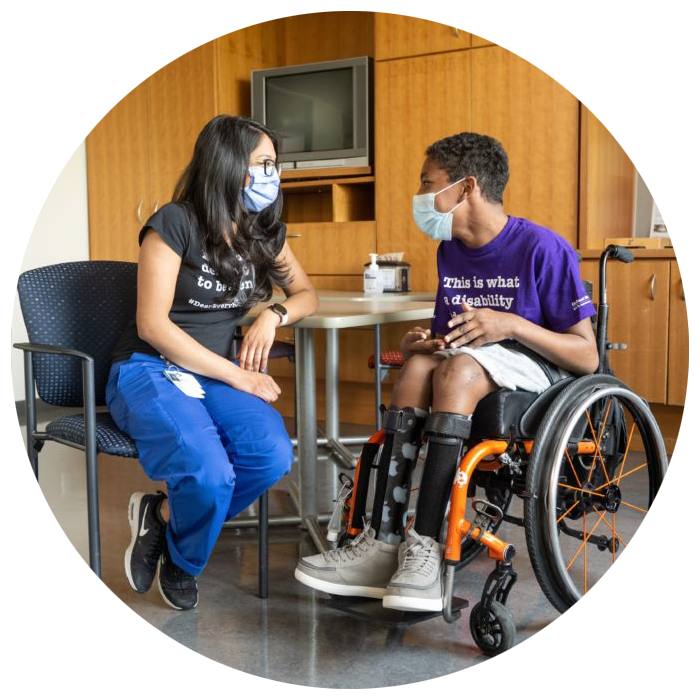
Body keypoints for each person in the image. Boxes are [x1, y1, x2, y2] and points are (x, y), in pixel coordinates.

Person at [295, 132, 598, 612]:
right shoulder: (450, 250)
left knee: (456, 371)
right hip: (472, 363)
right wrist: (422, 343)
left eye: (427, 182)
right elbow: (449, 338)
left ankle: (426, 548)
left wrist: (512, 324)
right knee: (418, 367)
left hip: (542, 372)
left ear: (466, 187)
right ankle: (384, 542)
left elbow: (587, 355)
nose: (419, 195)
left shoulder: (543, 247)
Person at [108, 115, 318, 610]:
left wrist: (273, 314)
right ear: (226, 166)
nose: (273, 175)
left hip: (214, 371)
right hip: (150, 367)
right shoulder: (174, 223)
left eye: (274, 164)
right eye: (263, 164)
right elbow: (153, 326)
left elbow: (308, 293)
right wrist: (238, 375)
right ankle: (184, 561)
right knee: (207, 472)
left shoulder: (263, 232)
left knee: (270, 456)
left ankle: (162, 519)